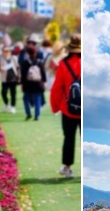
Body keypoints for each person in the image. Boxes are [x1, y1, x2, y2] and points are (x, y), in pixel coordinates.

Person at [50, 34, 81, 177]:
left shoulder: (64, 64)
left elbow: (57, 88)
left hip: (68, 108)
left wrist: (55, 106)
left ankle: (67, 168)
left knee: (69, 138)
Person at [19, 38, 46, 121]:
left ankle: (28, 113)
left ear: (27, 53)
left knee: (25, 99)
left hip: (28, 84)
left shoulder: (26, 62)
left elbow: (23, 74)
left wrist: (22, 84)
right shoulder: (40, 62)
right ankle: (37, 115)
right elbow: (43, 73)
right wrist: (44, 82)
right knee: (38, 98)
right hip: (38, 83)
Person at [0, 46, 20, 114]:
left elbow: (18, 67)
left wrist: (19, 76)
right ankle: (7, 103)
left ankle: (13, 106)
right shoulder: (0, 58)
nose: (7, 52)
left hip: (13, 78)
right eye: (5, 51)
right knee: (3, 92)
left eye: (8, 51)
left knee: (13, 93)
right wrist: (0, 68)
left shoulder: (14, 58)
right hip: (4, 78)